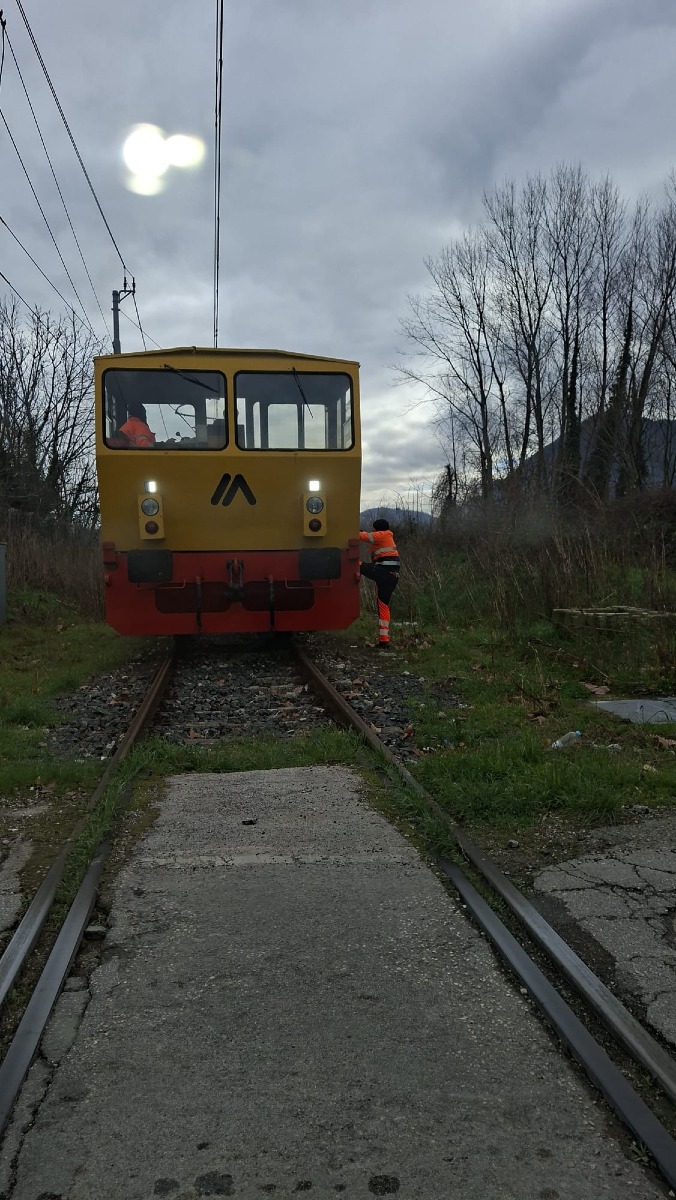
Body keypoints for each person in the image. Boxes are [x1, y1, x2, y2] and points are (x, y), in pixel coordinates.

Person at [359, 518, 400, 647]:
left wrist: (352, 531)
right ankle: (384, 640)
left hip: (384, 574)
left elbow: (364, 536)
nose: (373, 531)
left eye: (374, 529)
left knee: (357, 565)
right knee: (383, 605)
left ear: (378, 529)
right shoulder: (387, 536)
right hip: (392, 577)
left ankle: (384, 640)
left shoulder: (382, 535)